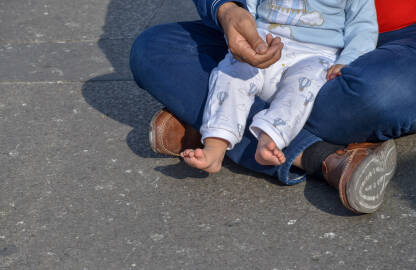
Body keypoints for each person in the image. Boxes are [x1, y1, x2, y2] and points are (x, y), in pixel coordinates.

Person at [130, 0, 416, 213]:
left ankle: (218, 119)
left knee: (382, 93)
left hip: (374, 48)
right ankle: (317, 156)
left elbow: (362, 26)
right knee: (153, 50)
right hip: (269, 43)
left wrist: (349, 61)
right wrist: (227, 10)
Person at [180, 0, 378, 175]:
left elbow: (362, 27)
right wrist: (240, 38)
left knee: (302, 87)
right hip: (264, 43)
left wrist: (348, 61)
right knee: (230, 73)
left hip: (316, 53)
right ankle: (215, 146)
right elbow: (245, 10)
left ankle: (270, 139)